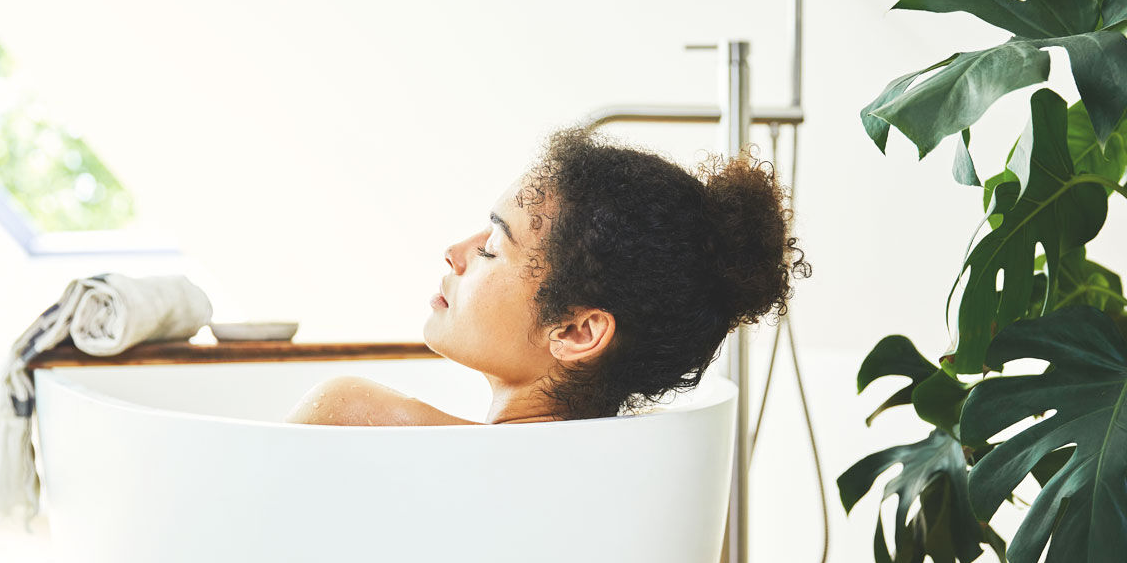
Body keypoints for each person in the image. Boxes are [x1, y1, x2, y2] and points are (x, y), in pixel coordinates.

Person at [284, 122, 809, 426]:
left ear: (577, 331)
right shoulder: (625, 488)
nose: (454, 253)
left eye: (492, 246)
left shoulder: (350, 417)